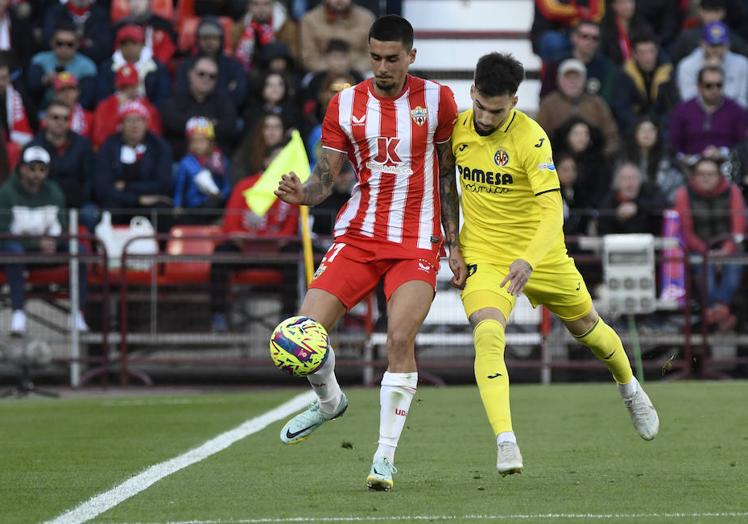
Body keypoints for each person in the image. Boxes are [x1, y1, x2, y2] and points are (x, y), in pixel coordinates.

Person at [444, 52, 659, 476]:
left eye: (497, 109)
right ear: (472, 92)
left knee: (590, 332)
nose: (486, 117)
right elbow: (445, 186)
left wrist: (528, 258)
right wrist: (452, 241)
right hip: (484, 254)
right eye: (481, 106)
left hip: (540, 254)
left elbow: (551, 211)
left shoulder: (532, 138)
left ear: (515, 101)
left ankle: (630, 387)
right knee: (487, 334)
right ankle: (506, 441)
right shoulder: (455, 130)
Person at [274, 15, 458, 491]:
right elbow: (325, 180)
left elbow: (446, 177)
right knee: (299, 336)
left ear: (411, 56)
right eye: (375, 57)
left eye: (392, 58)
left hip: (417, 241)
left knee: (399, 340)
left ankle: (384, 457)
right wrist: (303, 194)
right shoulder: (346, 103)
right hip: (359, 236)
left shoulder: (439, 101)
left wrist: (454, 245)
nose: (381, 66)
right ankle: (331, 401)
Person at [0, 145, 89, 335]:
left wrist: (54, 242)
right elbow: (3, 232)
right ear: (22, 168)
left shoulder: (54, 191)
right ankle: (18, 313)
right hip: (19, 252)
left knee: (80, 251)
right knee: (12, 250)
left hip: (48, 249)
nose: (36, 174)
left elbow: (62, 227)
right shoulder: (6, 192)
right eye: (32, 168)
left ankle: (77, 313)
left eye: (42, 169)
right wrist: (35, 243)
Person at [674, 156, 745, 331]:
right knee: (704, 270)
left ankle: (715, 310)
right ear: (694, 176)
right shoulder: (684, 194)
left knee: (735, 266)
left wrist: (726, 250)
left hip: (729, 248)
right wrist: (706, 251)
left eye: (711, 174)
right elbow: (686, 231)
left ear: (719, 176)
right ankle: (720, 312)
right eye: (701, 174)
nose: (706, 177)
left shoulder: (733, 191)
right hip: (698, 249)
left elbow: (739, 227)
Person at [173, 117, 231, 224]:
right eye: (194, 141)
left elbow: (227, 185)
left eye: (201, 140)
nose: (197, 145)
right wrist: (177, 205)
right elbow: (180, 187)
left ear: (210, 142)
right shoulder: (186, 162)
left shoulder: (221, 160)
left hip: (215, 206)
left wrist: (221, 196)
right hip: (193, 207)